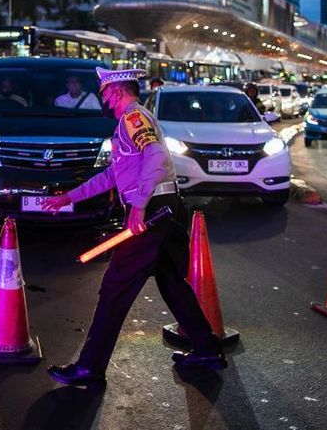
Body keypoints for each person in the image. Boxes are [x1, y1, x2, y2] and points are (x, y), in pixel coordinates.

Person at [40, 66, 225, 387]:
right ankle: (207, 350)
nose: (104, 101)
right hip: (164, 209)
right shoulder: (130, 122)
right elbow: (113, 175)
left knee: (114, 289)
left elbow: (157, 156)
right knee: (171, 282)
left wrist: (138, 206)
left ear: (116, 91)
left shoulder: (133, 118)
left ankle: (89, 368)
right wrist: (69, 197)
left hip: (152, 211)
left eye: (104, 95)